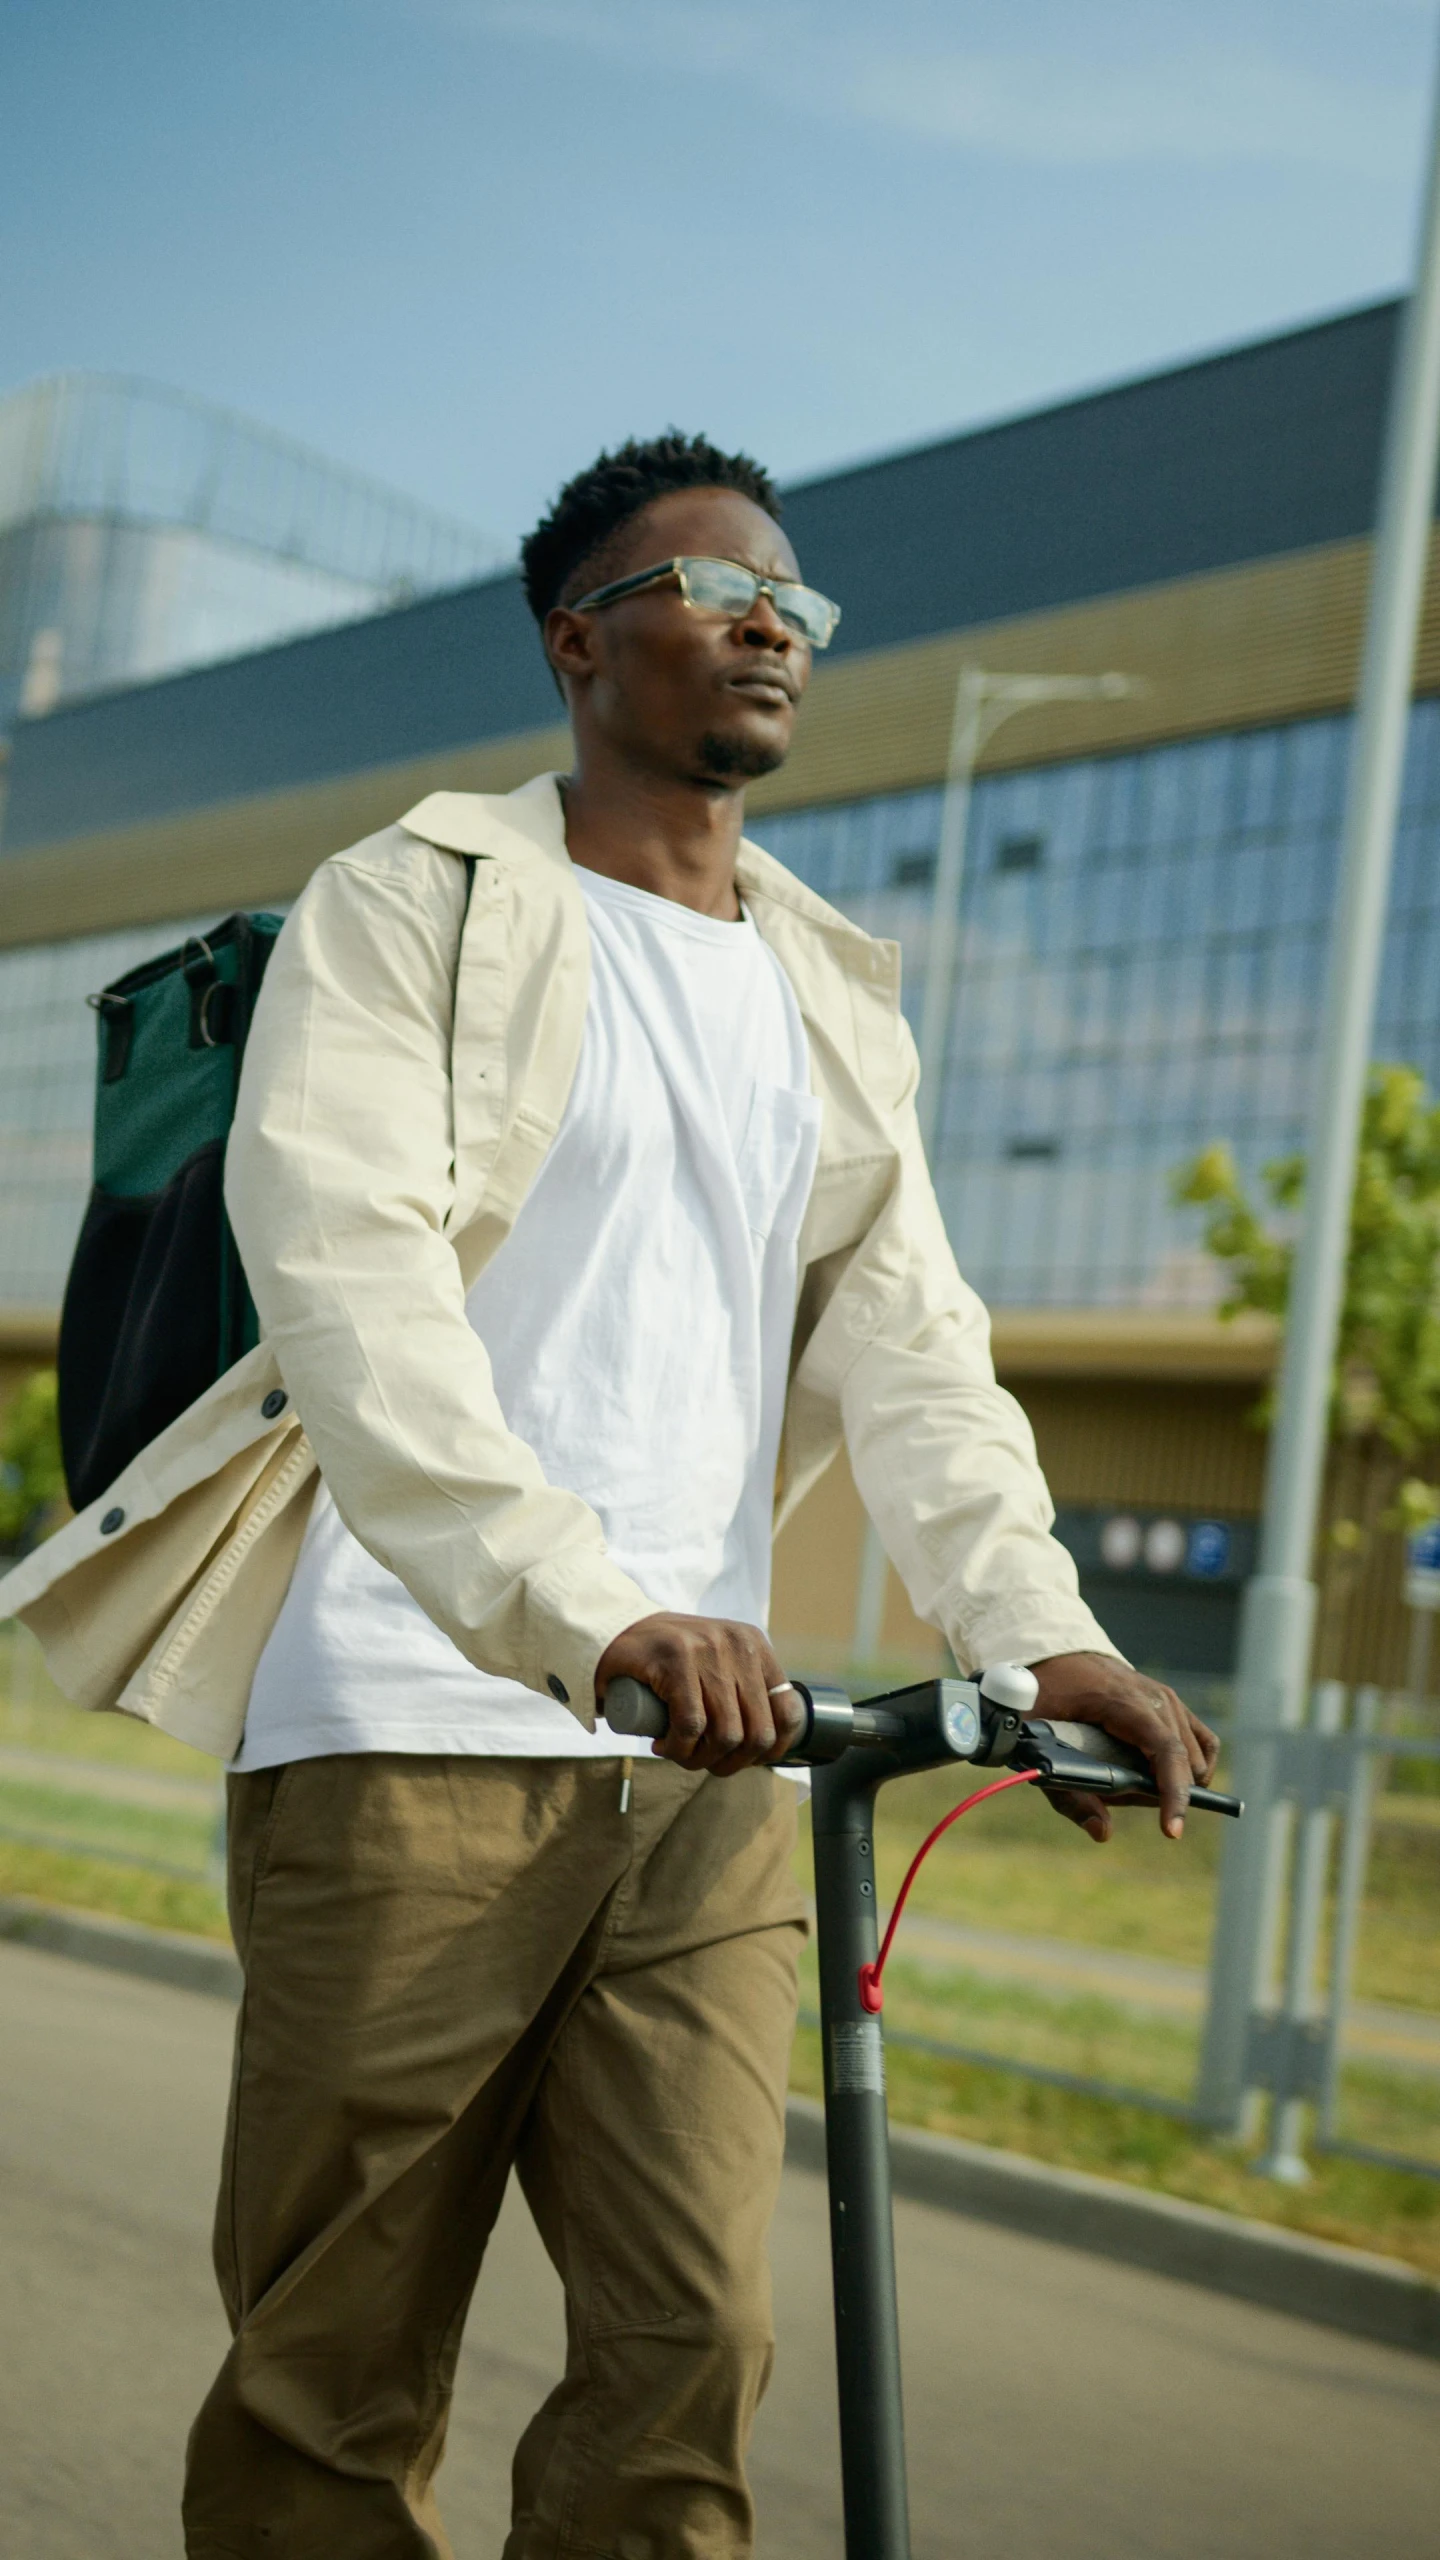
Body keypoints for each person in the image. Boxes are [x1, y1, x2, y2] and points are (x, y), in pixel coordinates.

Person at [9, 432, 1218, 2559]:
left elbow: (920, 1351)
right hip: (415, 1722)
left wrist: (1047, 1636)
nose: (771, 625)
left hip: (714, 1763)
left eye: (798, 605)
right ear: (579, 643)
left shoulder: (827, 988)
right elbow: (358, 1290)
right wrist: (585, 1606)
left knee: (690, 2353)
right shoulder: (417, 903)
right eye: (709, 589)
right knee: (332, 2375)